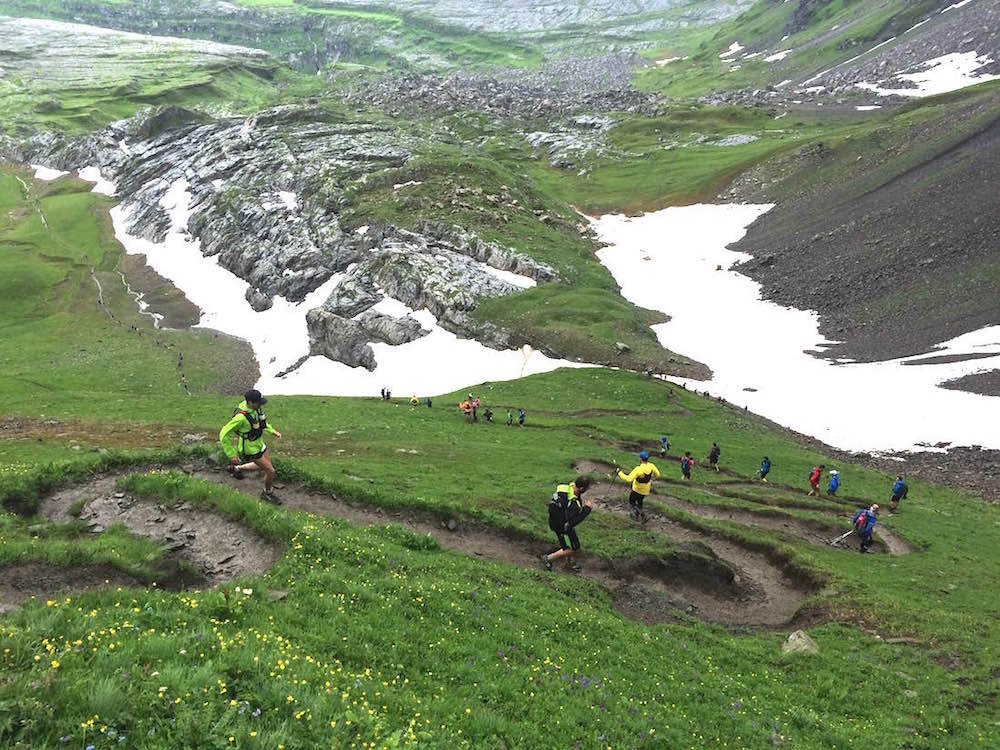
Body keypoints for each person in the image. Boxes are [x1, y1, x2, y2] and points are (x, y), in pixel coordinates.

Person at [219, 389, 283, 504]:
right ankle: (267, 493)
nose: (260, 405)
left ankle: (237, 468)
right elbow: (223, 434)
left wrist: (273, 432)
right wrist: (231, 454)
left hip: (260, 444)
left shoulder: (255, 409)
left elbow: (262, 423)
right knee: (270, 471)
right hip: (249, 449)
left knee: (263, 466)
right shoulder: (240, 418)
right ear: (250, 402)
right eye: (258, 402)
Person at [541, 476, 593, 572]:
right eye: (586, 489)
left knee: (572, 542)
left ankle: (569, 562)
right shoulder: (573, 504)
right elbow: (573, 522)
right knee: (572, 548)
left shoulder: (565, 488)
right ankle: (548, 559)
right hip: (562, 527)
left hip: (553, 520)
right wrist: (587, 509)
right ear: (581, 488)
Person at [617, 451, 660, 522]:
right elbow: (658, 474)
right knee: (640, 501)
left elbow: (628, 479)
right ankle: (638, 515)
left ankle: (643, 515)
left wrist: (619, 473)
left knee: (632, 501)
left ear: (640, 459)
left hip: (637, 489)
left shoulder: (638, 469)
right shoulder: (651, 466)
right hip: (646, 489)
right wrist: (653, 479)